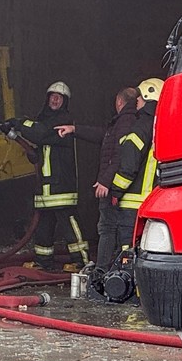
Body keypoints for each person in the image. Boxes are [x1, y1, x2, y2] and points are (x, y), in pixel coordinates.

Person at [4, 81, 89, 271]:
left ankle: (82, 261)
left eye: (59, 97)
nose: (55, 99)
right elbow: (43, 142)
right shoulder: (45, 121)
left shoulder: (63, 120)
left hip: (61, 185)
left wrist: (18, 123)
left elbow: (40, 134)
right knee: (43, 224)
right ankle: (43, 261)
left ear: (65, 102)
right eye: (52, 96)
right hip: (45, 184)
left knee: (68, 222)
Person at [60, 86, 141, 274]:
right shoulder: (124, 122)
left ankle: (103, 271)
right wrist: (75, 129)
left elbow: (121, 155)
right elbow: (103, 136)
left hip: (113, 188)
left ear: (119, 102)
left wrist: (105, 181)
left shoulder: (125, 121)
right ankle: (111, 270)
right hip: (117, 187)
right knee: (112, 229)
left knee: (108, 229)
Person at [105, 78, 162, 270]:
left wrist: (116, 191)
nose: (136, 100)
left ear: (148, 96)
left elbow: (128, 165)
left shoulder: (140, 128)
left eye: (139, 97)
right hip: (154, 201)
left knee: (127, 250)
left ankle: (128, 288)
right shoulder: (162, 127)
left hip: (132, 201)